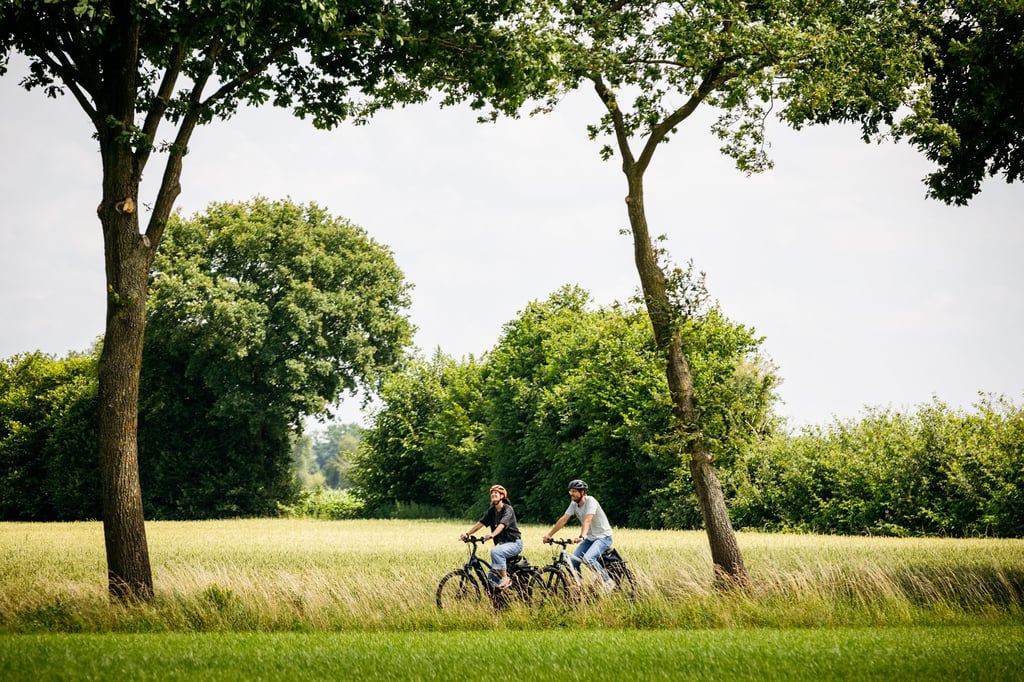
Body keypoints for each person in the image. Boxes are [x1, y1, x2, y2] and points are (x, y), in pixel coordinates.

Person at [542, 478, 616, 591]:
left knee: (588, 559)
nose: (571, 493)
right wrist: (549, 535)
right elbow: (563, 519)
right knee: (573, 562)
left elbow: (587, 520)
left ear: (582, 492)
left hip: (603, 537)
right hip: (591, 538)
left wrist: (581, 536)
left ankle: (608, 582)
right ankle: (579, 588)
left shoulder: (591, 501)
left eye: (574, 491)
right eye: (570, 491)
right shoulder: (573, 504)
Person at [460, 484, 523, 589]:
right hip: (502, 545)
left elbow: (502, 525)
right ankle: (498, 601)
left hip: (514, 543)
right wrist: (468, 534)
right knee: (491, 577)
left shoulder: (508, 509)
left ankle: (505, 579)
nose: (493, 494)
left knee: (495, 552)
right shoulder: (492, 511)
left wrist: (492, 535)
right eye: (492, 493)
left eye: (496, 493)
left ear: (502, 496)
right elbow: (480, 523)